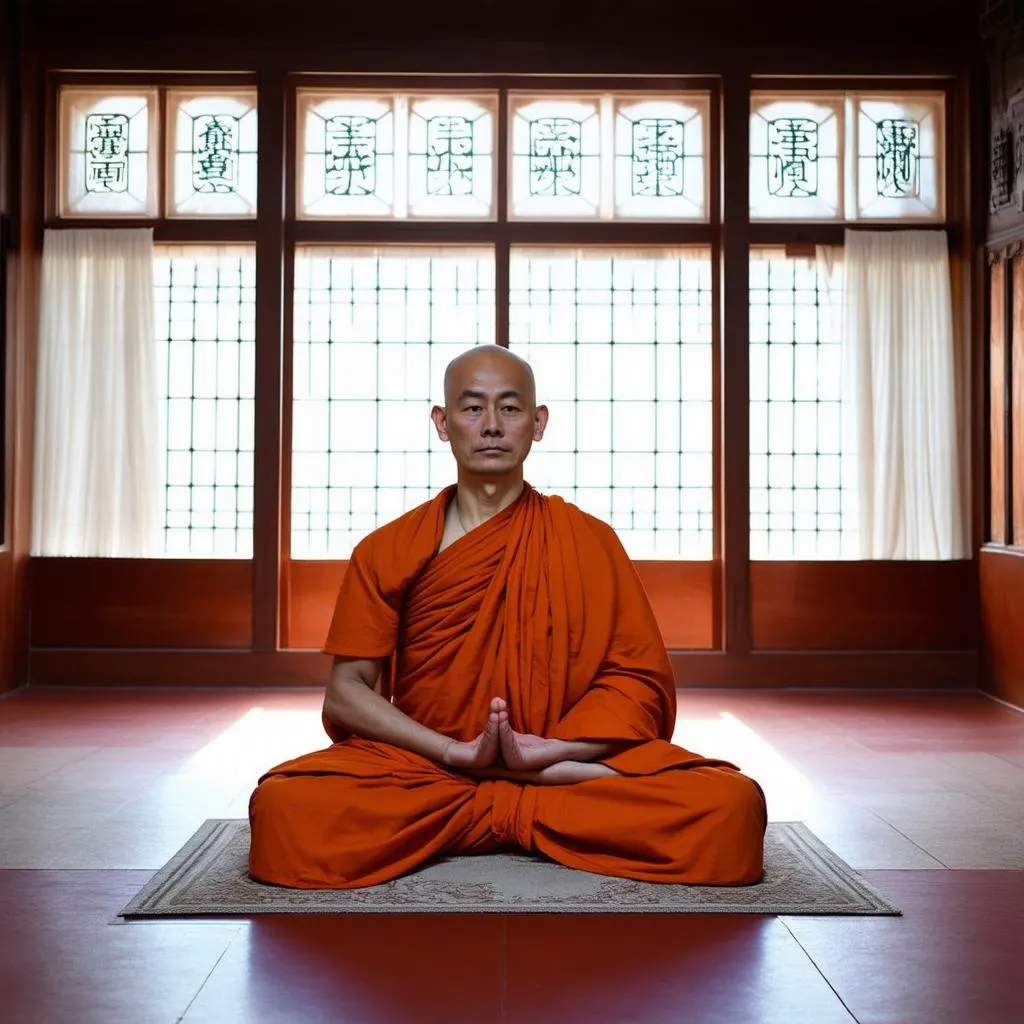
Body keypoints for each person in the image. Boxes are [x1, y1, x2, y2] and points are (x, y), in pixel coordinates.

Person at [248, 344, 766, 889]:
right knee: (284, 807)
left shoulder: (589, 541)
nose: (491, 426)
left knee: (730, 807)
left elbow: (636, 683)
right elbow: (347, 691)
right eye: (472, 409)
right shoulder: (387, 549)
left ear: (537, 423)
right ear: (442, 423)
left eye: (510, 409)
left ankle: (488, 808)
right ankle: (529, 811)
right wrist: (452, 751)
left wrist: (553, 751)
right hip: (430, 767)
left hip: (552, 763)